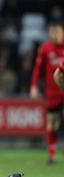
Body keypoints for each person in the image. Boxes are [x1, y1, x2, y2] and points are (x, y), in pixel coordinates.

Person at [30, 20, 64, 164]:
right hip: (52, 92)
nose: (55, 35)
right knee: (52, 123)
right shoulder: (45, 48)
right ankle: (52, 154)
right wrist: (34, 86)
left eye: (57, 31)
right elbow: (38, 69)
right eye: (52, 32)